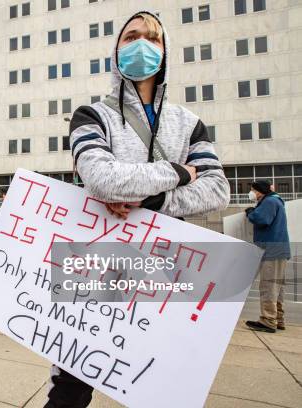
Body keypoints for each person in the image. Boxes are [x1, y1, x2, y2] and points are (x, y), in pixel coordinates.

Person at [50, 11, 230, 407]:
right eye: (131, 36)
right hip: (96, 264)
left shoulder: (190, 123)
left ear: (165, 52)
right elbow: (101, 178)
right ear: (116, 50)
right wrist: (180, 172)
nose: (142, 43)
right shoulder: (91, 115)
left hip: (162, 266)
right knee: (72, 384)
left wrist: (149, 198)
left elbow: (218, 189)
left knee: (159, 381)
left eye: (153, 37)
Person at [245, 180, 290, 333]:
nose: (252, 193)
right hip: (278, 250)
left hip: (272, 250)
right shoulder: (275, 200)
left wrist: (250, 213)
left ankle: (268, 320)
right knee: (277, 287)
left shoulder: (269, 201)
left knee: (268, 286)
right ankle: (278, 319)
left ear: (259, 191)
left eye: (253, 190)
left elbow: (262, 219)